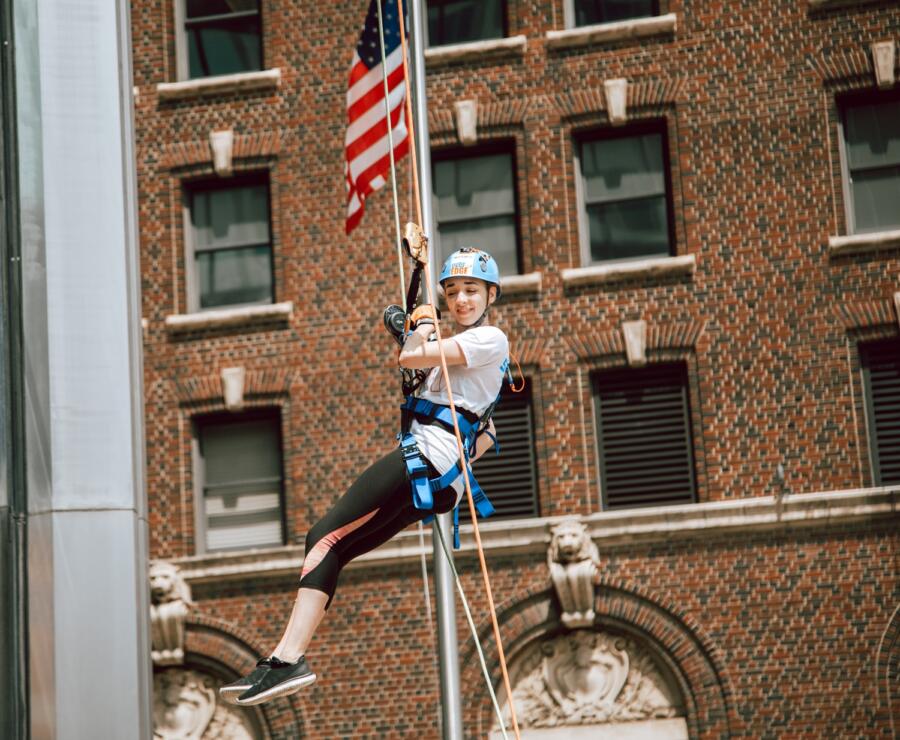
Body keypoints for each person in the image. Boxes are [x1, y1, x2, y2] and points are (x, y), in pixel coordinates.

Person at [219, 247, 509, 706]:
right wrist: (416, 332)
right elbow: (487, 431)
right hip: (435, 473)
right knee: (340, 547)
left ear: (490, 294)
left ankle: (289, 659)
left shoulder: (490, 339)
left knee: (322, 537)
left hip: (427, 461)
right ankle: (280, 660)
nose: (461, 300)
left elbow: (411, 360)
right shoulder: (466, 361)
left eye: (471, 291)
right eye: (452, 292)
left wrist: (422, 325)